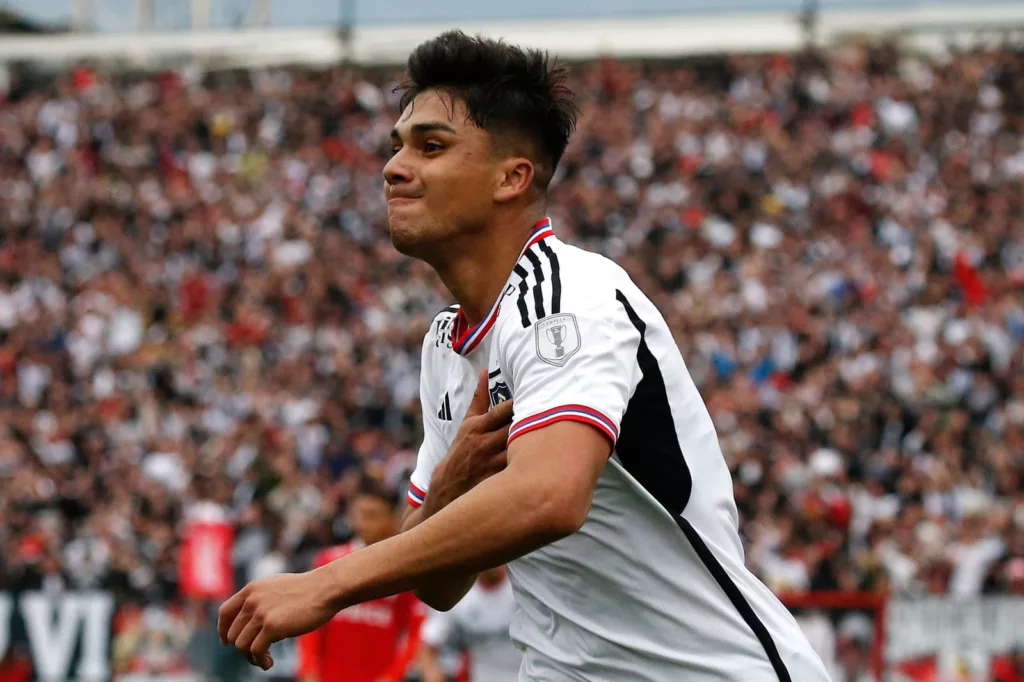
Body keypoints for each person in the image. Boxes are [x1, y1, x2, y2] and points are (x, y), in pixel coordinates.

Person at [218, 30, 832, 682]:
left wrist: (326, 584)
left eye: (431, 146)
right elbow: (440, 585)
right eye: (396, 146)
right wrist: (448, 491)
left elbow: (549, 496)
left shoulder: (571, 292)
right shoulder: (445, 344)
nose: (393, 166)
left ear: (512, 178)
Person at [295, 478, 423, 682]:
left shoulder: (404, 569)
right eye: (359, 516)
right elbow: (310, 623)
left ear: (393, 519)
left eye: (372, 516)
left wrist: (392, 676)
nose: (362, 524)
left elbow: (415, 633)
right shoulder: (330, 561)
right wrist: (308, 670)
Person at [418, 565, 519, 682]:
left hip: (530, 676)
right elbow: (427, 646)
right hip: (481, 676)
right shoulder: (458, 597)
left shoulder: (522, 588)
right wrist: (432, 673)